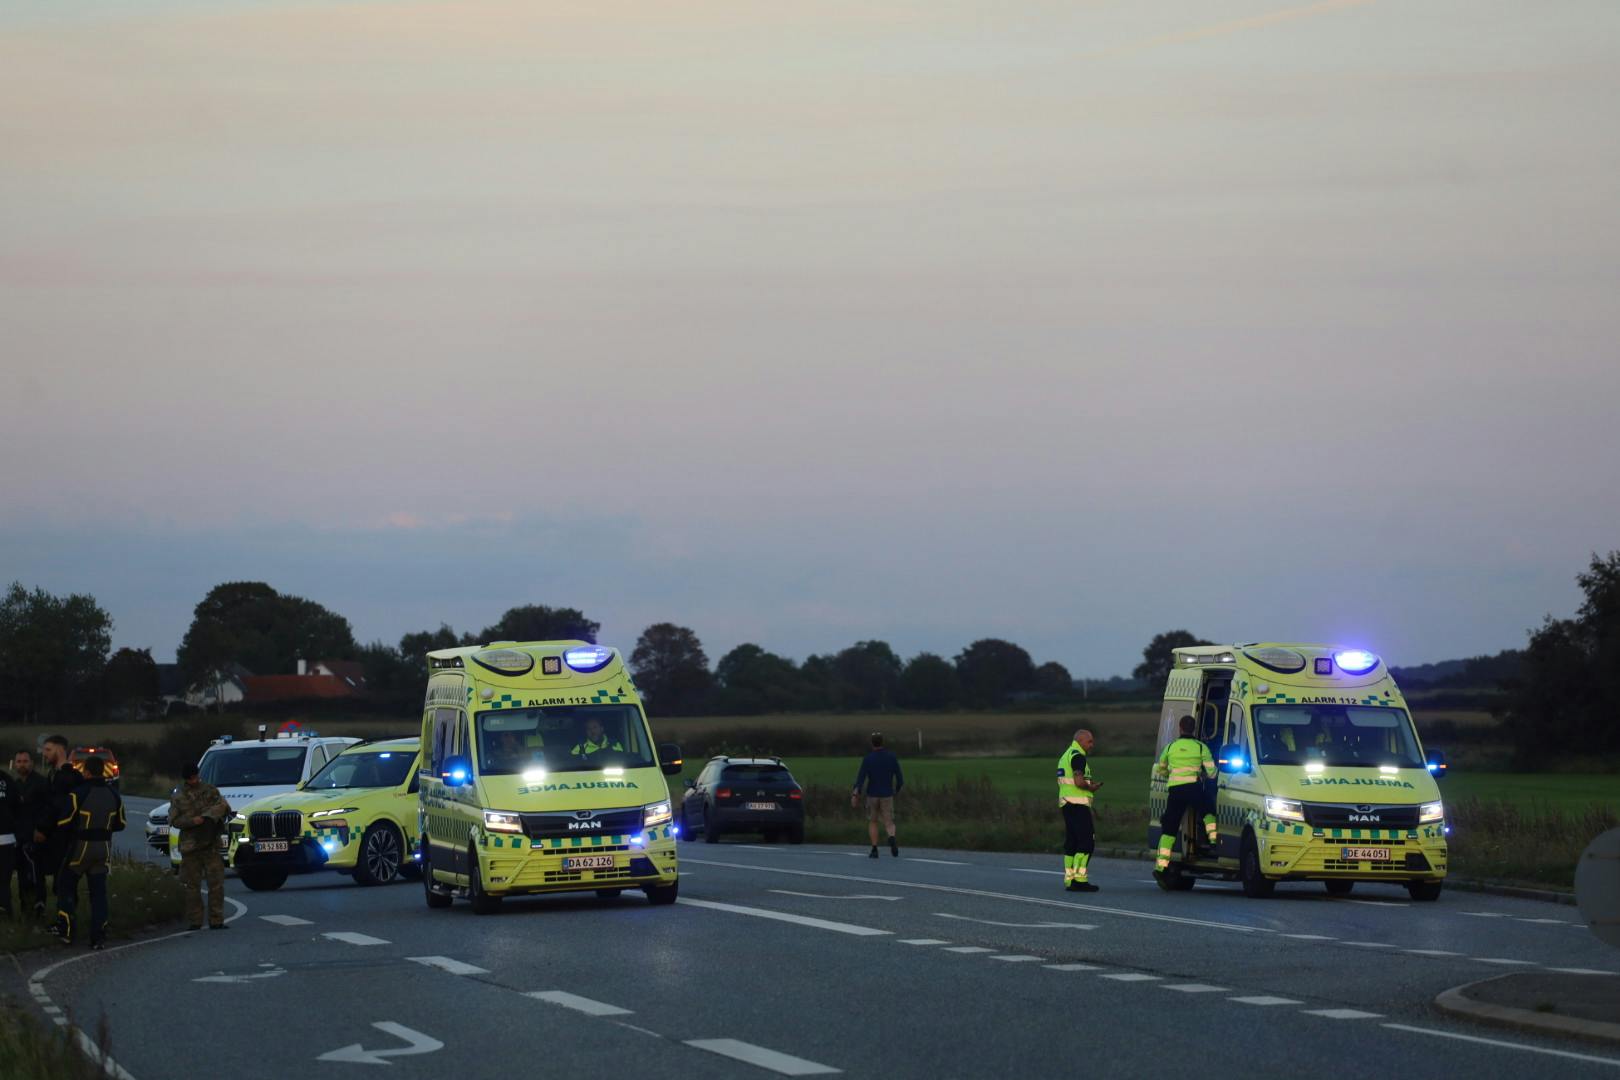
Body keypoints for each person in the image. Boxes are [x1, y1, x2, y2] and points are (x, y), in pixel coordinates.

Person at [52, 757, 125, 949]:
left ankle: (66, 931)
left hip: (81, 848)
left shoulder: (78, 794)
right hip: (104, 848)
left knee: (65, 885)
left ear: (86, 772)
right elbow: (121, 824)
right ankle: (98, 936)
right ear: (103, 771)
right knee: (99, 894)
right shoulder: (114, 794)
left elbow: (63, 823)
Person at [1154, 715, 1219, 873]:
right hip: (1194, 788)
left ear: (1180, 728)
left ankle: (1161, 866)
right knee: (1208, 810)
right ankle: (1213, 840)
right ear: (1194, 728)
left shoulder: (1170, 747)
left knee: (1169, 827)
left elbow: (1160, 768)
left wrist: (1170, 775)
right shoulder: (1200, 747)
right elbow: (1212, 773)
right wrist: (1205, 774)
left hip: (1175, 790)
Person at [171, 761, 230, 930]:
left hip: (211, 844)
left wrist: (208, 816)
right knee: (192, 886)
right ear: (186, 779)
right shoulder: (178, 796)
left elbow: (224, 807)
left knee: (216, 885)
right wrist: (192, 821)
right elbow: (174, 821)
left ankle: (216, 919)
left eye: (196, 777)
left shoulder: (210, 791)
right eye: (191, 778)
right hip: (190, 847)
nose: (194, 780)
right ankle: (195, 920)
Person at [37, 735, 81, 919]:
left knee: (64, 882)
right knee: (57, 879)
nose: (44, 754)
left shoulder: (67, 777)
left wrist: (43, 829)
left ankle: (66, 924)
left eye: (48, 750)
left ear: (60, 750)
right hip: (56, 837)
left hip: (66, 837)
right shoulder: (54, 774)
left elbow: (57, 807)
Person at [1057, 728, 1102, 892]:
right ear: (1081, 740)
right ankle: (1079, 879)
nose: (1092, 744)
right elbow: (1078, 781)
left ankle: (1069, 879)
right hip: (1078, 804)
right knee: (1086, 842)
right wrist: (1091, 787)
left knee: (1072, 842)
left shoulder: (1066, 754)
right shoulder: (1078, 757)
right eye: (1089, 741)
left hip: (1067, 804)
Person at [851, 733, 904, 858]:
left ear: (872, 743)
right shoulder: (892, 757)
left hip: (872, 795)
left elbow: (861, 778)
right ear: (882, 742)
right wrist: (896, 789)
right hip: (887, 794)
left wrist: (855, 792)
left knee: (873, 821)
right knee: (889, 821)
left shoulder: (868, 759)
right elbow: (900, 778)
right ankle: (891, 837)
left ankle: (874, 849)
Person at [11, 750, 50, 916]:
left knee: (36, 874)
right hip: (19, 837)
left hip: (36, 836)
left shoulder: (41, 783)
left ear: (32, 763)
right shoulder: (14, 784)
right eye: (19, 761)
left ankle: (38, 908)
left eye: (25, 761)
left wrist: (42, 829)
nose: (22, 764)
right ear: (14, 764)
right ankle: (25, 909)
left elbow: (49, 808)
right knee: (22, 875)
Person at [0, 760, 18, 918]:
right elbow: (16, 806)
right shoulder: (8, 780)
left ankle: (6, 912)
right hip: (7, 839)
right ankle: (6, 912)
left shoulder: (8, 781)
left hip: (5, 838)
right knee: (4, 881)